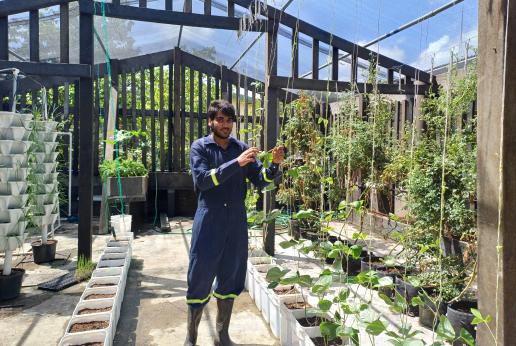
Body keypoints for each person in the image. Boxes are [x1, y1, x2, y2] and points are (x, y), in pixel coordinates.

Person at [184, 100, 284, 346]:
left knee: (231, 274)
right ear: (210, 121)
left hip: (236, 221)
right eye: (220, 119)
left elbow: (262, 182)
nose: (225, 125)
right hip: (209, 218)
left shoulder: (241, 148)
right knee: (200, 275)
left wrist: (274, 165)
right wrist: (236, 163)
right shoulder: (201, 148)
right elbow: (203, 181)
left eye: (229, 120)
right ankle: (191, 338)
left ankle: (222, 335)